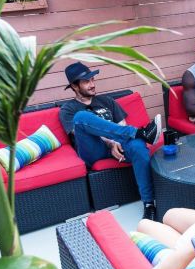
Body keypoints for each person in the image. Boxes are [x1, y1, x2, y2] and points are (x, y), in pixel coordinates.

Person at [59, 62, 161, 220]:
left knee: (138, 146)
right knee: (81, 117)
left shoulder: (107, 101)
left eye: (92, 79)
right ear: (74, 86)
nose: (92, 84)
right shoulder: (68, 109)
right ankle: (140, 133)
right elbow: (76, 133)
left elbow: (121, 125)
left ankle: (149, 204)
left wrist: (118, 142)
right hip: (93, 150)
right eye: (86, 81)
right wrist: (111, 142)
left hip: (119, 143)